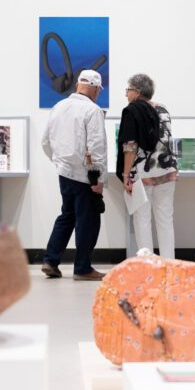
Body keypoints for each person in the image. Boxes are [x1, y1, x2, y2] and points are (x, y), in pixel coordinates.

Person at [41, 70, 108, 280]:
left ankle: (50, 260)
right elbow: (96, 147)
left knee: (67, 215)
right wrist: (98, 178)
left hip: (64, 172)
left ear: (78, 85)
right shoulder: (93, 110)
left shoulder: (58, 106)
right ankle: (83, 268)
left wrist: (59, 162)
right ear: (95, 89)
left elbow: (45, 141)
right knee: (88, 220)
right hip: (86, 176)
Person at [117, 74, 177, 258]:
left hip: (142, 173)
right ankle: (169, 264)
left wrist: (125, 175)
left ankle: (148, 264)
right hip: (167, 171)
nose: (126, 94)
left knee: (142, 220)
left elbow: (130, 146)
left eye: (128, 90)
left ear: (137, 92)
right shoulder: (163, 109)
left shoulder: (132, 111)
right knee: (165, 220)